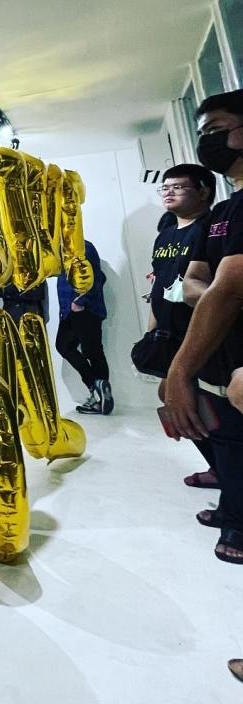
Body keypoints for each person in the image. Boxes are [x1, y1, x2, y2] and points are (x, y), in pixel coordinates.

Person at [165, 90, 243, 566]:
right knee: (223, 430)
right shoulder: (224, 214)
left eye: (216, 129)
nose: (207, 141)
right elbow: (194, 282)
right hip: (221, 346)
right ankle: (234, 506)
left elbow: (227, 288)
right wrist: (217, 290)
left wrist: (180, 369)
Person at [147, 164, 216, 488]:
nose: (169, 192)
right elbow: (158, 286)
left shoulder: (211, 229)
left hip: (207, 332)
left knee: (213, 401)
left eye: (178, 187)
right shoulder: (165, 235)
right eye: (165, 187)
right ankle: (220, 465)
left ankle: (228, 469)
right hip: (170, 334)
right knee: (173, 396)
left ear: (203, 192)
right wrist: (151, 332)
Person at [56, 240, 111, 414]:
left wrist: (80, 301)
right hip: (70, 311)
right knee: (63, 345)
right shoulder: (62, 251)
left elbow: (97, 277)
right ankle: (96, 386)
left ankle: (100, 397)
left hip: (85, 310)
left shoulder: (83, 247)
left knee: (93, 352)